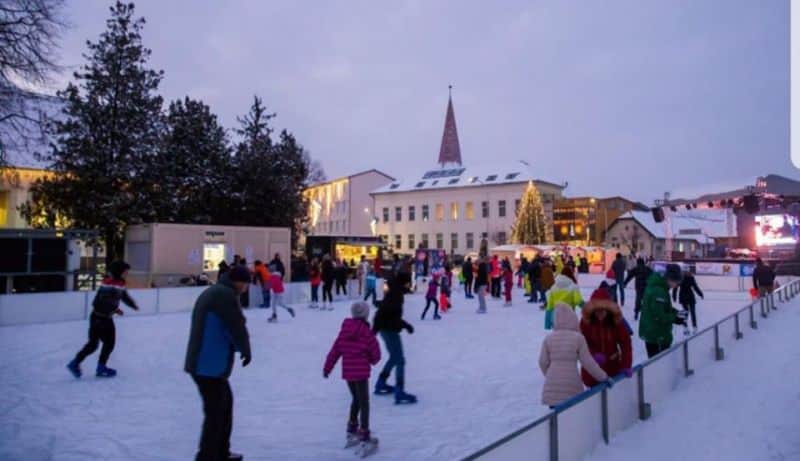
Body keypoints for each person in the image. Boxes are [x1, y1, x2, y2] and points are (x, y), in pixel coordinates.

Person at [184, 265, 252, 461]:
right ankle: (207, 456)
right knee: (216, 414)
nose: (246, 288)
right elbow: (235, 325)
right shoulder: (224, 295)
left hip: (207, 364)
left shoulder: (218, 292)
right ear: (239, 282)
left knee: (224, 409)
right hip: (206, 365)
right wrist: (245, 348)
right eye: (246, 283)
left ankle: (220, 452)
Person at [323, 301, 381, 456]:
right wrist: (371, 359)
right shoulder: (366, 332)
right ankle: (364, 436)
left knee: (356, 399)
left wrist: (327, 368)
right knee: (364, 403)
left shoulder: (345, 331)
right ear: (366, 315)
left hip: (348, 372)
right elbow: (376, 353)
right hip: (361, 373)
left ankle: (351, 430)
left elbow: (335, 350)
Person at [67, 261, 139, 378]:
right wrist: (129, 305)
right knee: (109, 343)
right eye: (125, 271)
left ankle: (75, 363)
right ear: (119, 272)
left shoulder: (108, 281)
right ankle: (101, 367)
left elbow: (102, 299)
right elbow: (120, 296)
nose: (127, 273)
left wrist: (115, 309)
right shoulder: (115, 283)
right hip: (103, 319)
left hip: (96, 316)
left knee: (93, 344)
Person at [539, 304, 611, 407]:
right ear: (573, 319)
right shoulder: (578, 338)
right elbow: (588, 363)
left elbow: (542, 362)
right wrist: (604, 377)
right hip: (571, 386)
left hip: (551, 386)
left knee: (555, 420)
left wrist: (550, 375)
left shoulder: (548, 339)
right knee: (571, 418)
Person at [372, 279, 417, 404]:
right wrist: (406, 325)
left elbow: (384, 314)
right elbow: (390, 317)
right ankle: (399, 390)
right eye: (407, 283)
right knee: (400, 360)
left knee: (394, 357)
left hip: (385, 329)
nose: (409, 285)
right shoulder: (396, 297)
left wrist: (375, 330)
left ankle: (381, 383)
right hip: (389, 330)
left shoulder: (393, 295)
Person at [580, 289, 633, 387]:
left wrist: (626, 365)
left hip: (612, 369)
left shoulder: (616, 322)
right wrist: (593, 355)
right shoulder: (585, 323)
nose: (600, 314)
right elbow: (581, 343)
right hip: (592, 371)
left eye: (602, 310)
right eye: (597, 311)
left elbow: (626, 344)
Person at [639, 267, 687, 358]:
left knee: (659, 364)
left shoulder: (661, 288)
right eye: (677, 282)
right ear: (670, 279)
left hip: (656, 333)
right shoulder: (658, 291)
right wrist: (675, 318)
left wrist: (677, 313)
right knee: (658, 365)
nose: (677, 285)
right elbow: (659, 315)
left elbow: (664, 308)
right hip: (656, 335)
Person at [672, 269, 704, 335]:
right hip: (685, 297)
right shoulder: (682, 277)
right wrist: (674, 296)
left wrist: (700, 293)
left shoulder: (690, 277)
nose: (686, 272)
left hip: (689, 297)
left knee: (692, 313)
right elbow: (676, 287)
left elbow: (695, 287)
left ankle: (694, 327)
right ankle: (686, 328)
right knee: (685, 313)